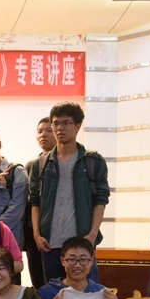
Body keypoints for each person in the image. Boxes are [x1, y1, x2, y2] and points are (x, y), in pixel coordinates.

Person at [30, 102, 110, 283]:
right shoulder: (40, 164)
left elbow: (101, 198)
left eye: (66, 123)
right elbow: (35, 200)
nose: (60, 128)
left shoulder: (93, 161)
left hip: (82, 244)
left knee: (87, 294)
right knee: (54, 296)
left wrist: (92, 235)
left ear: (77, 126)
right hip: (50, 245)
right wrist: (37, 235)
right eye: (56, 123)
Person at [23, 118, 56, 289]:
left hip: (57, 232)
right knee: (38, 283)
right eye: (40, 131)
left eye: (48, 130)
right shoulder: (31, 166)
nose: (43, 134)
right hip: (34, 235)